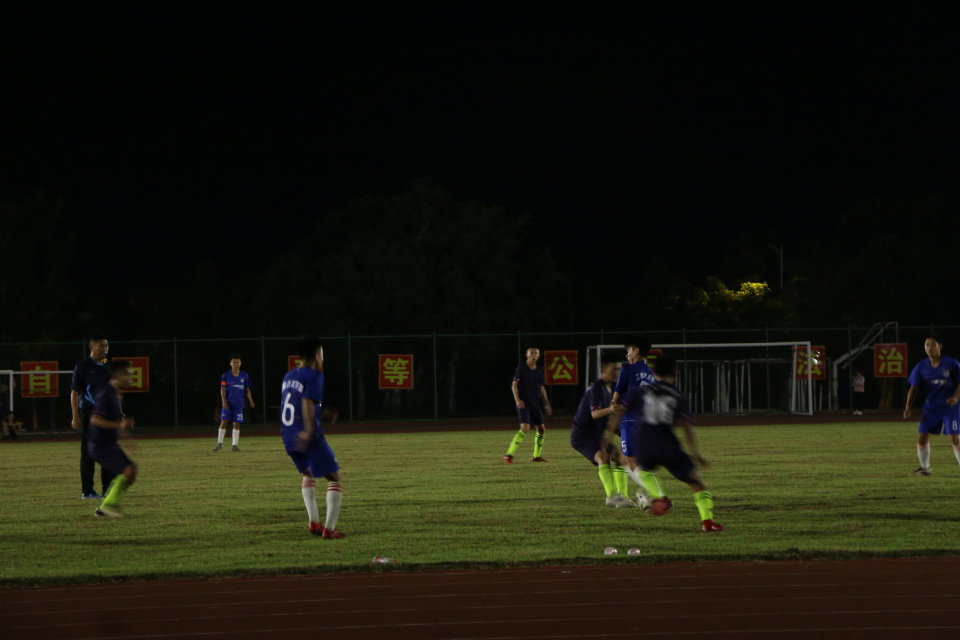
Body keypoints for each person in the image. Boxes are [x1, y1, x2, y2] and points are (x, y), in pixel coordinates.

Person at [621, 354, 724, 532]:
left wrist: (608, 436)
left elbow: (623, 410)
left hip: (645, 445)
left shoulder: (641, 391)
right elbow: (686, 427)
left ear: (654, 372)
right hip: (668, 445)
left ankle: (657, 497)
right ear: (674, 372)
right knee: (696, 483)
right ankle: (707, 522)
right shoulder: (677, 395)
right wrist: (696, 453)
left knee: (640, 468)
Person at [280, 336, 344, 538]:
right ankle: (329, 530)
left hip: (288, 435)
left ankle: (314, 522)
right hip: (309, 436)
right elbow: (307, 402)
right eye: (322, 352)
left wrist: (321, 413)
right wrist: (309, 430)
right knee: (335, 478)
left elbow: (295, 404)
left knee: (308, 473)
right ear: (317, 354)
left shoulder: (289, 375)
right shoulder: (314, 375)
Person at [570, 360, 635, 506]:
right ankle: (611, 497)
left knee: (621, 458)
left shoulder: (613, 390)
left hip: (597, 435)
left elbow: (611, 421)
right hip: (582, 435)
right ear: (603, 371)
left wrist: (625, 435)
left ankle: (622, 498)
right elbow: (594, 414)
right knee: (602, 457)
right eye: (613, 369)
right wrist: (610, 410)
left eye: (618, 370)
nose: (616, 373)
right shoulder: (596, 389)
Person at [903, 335, 960, 476]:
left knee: (955, 438)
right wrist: (907, 407)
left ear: (940, 346)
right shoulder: (921, 366)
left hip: (950, 408)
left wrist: (955, 397)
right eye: (927, 345)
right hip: (931, 408)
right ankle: (925, 468)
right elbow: (913, 388)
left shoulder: (951, 363)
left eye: (933, 344)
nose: (930, 348)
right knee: (922, 436)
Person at [89, 360, 138, 517]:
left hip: (108, 444)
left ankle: (108, 505)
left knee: (130, 471)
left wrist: (127, 439)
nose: (130, 378)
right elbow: (95, 420)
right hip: (100, 445)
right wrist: (119, 425)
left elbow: (119, 423)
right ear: (117, 376)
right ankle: (107, 506)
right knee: (129, 470)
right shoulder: (106, 394)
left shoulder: (116, 395)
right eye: (127, 374)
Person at [610, 336, 656, 495]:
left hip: (631, 419)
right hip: (648, 420)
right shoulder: (651, 372)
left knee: (630, 459)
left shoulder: (628, 369)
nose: (627, 355)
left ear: (636, 351)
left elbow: (616, 396)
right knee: (639, 460)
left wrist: (613, 405)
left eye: (628, 351)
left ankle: (657, 495)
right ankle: (648, 493)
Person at [70, 335, 115, 499]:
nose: (105, 349)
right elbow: (74, 392)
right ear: (91, 348)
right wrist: (75, 416)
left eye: (106, 345)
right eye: (101, 346)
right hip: (90, 414)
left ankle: (107, 490)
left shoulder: (109, 367)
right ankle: (87, 491)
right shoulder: (82, 367)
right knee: (89, 453)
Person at [504, 347, 553, 463]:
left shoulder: (540, 370)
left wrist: (547, 404)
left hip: (535, 404)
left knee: (541, 430)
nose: (533, 355)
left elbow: (541, 388)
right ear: (526, 355)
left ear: (539, 356)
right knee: (525, 428)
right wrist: (517, 399)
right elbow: (514, 385)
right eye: (531, 353)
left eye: (536, 353)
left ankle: (536, 456)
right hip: (523, 403)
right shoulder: (521, 368)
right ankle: (509, 455)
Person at [214, 354, 255, 451]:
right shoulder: (225, 375)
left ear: (240, 364)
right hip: (228, 404)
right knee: (224, 422)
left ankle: (234, 445)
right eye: (234, 362)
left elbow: (247, 389)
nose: (236, 364)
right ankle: (219, 444)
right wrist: (223, 401)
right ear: (230, 364)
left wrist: (250, 400)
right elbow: (223, 389)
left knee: (237, 424)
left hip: (239, 404)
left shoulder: (245, 375)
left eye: (237, 362)